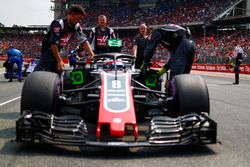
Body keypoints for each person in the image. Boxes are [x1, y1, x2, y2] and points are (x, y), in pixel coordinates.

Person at [34, 4, 95, 73]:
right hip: (48, 53)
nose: (79, 21)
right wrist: (59, 61)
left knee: (58, 74)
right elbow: (53, 44)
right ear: (72, 14)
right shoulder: (58, 24)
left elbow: (84, 40)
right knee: (40, 74)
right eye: (78, 18)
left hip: (58, 52)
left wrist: (92, 54)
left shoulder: (76, 26)